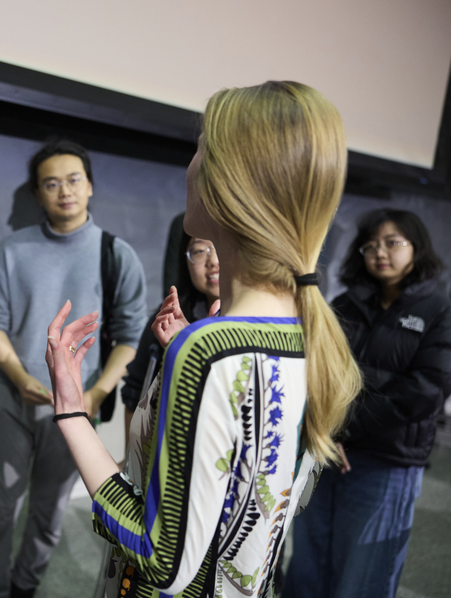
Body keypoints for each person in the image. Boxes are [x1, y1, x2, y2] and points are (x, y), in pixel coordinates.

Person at [44, 81, 361, 597]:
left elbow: (161, 559)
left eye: (201, 150)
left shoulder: (211, 350)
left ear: (230, 183)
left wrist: (70, 410)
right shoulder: (311, 336)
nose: (190, 167)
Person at [0, 139, 148, 598]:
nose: (64, 191)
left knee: (49, 512)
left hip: (76, 410)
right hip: (11, 398)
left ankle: (24, 588)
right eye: (51, 183)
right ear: (38, 194)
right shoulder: (13, 250)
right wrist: (17, 375)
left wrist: (93, 395)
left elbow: (131, 336)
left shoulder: (116, 255)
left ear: (89, 187)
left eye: (73, 180)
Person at [284, 209, 451, 598]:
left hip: (386, 460)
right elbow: (320, 372)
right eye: (371, 245)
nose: (380, 252)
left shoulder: (439, 309)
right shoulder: (345, 303)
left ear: (417, 249)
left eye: (393, 243)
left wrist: (345, 425)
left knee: (362, 578)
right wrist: (330, 432)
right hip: (328, 455)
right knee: (308, 567)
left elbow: (425, 391)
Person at [121, 230, 220, 439]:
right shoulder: (167, 318)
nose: (213, 261)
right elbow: (135, 395)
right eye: (200, 250)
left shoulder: (260, 319)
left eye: (222, 246)